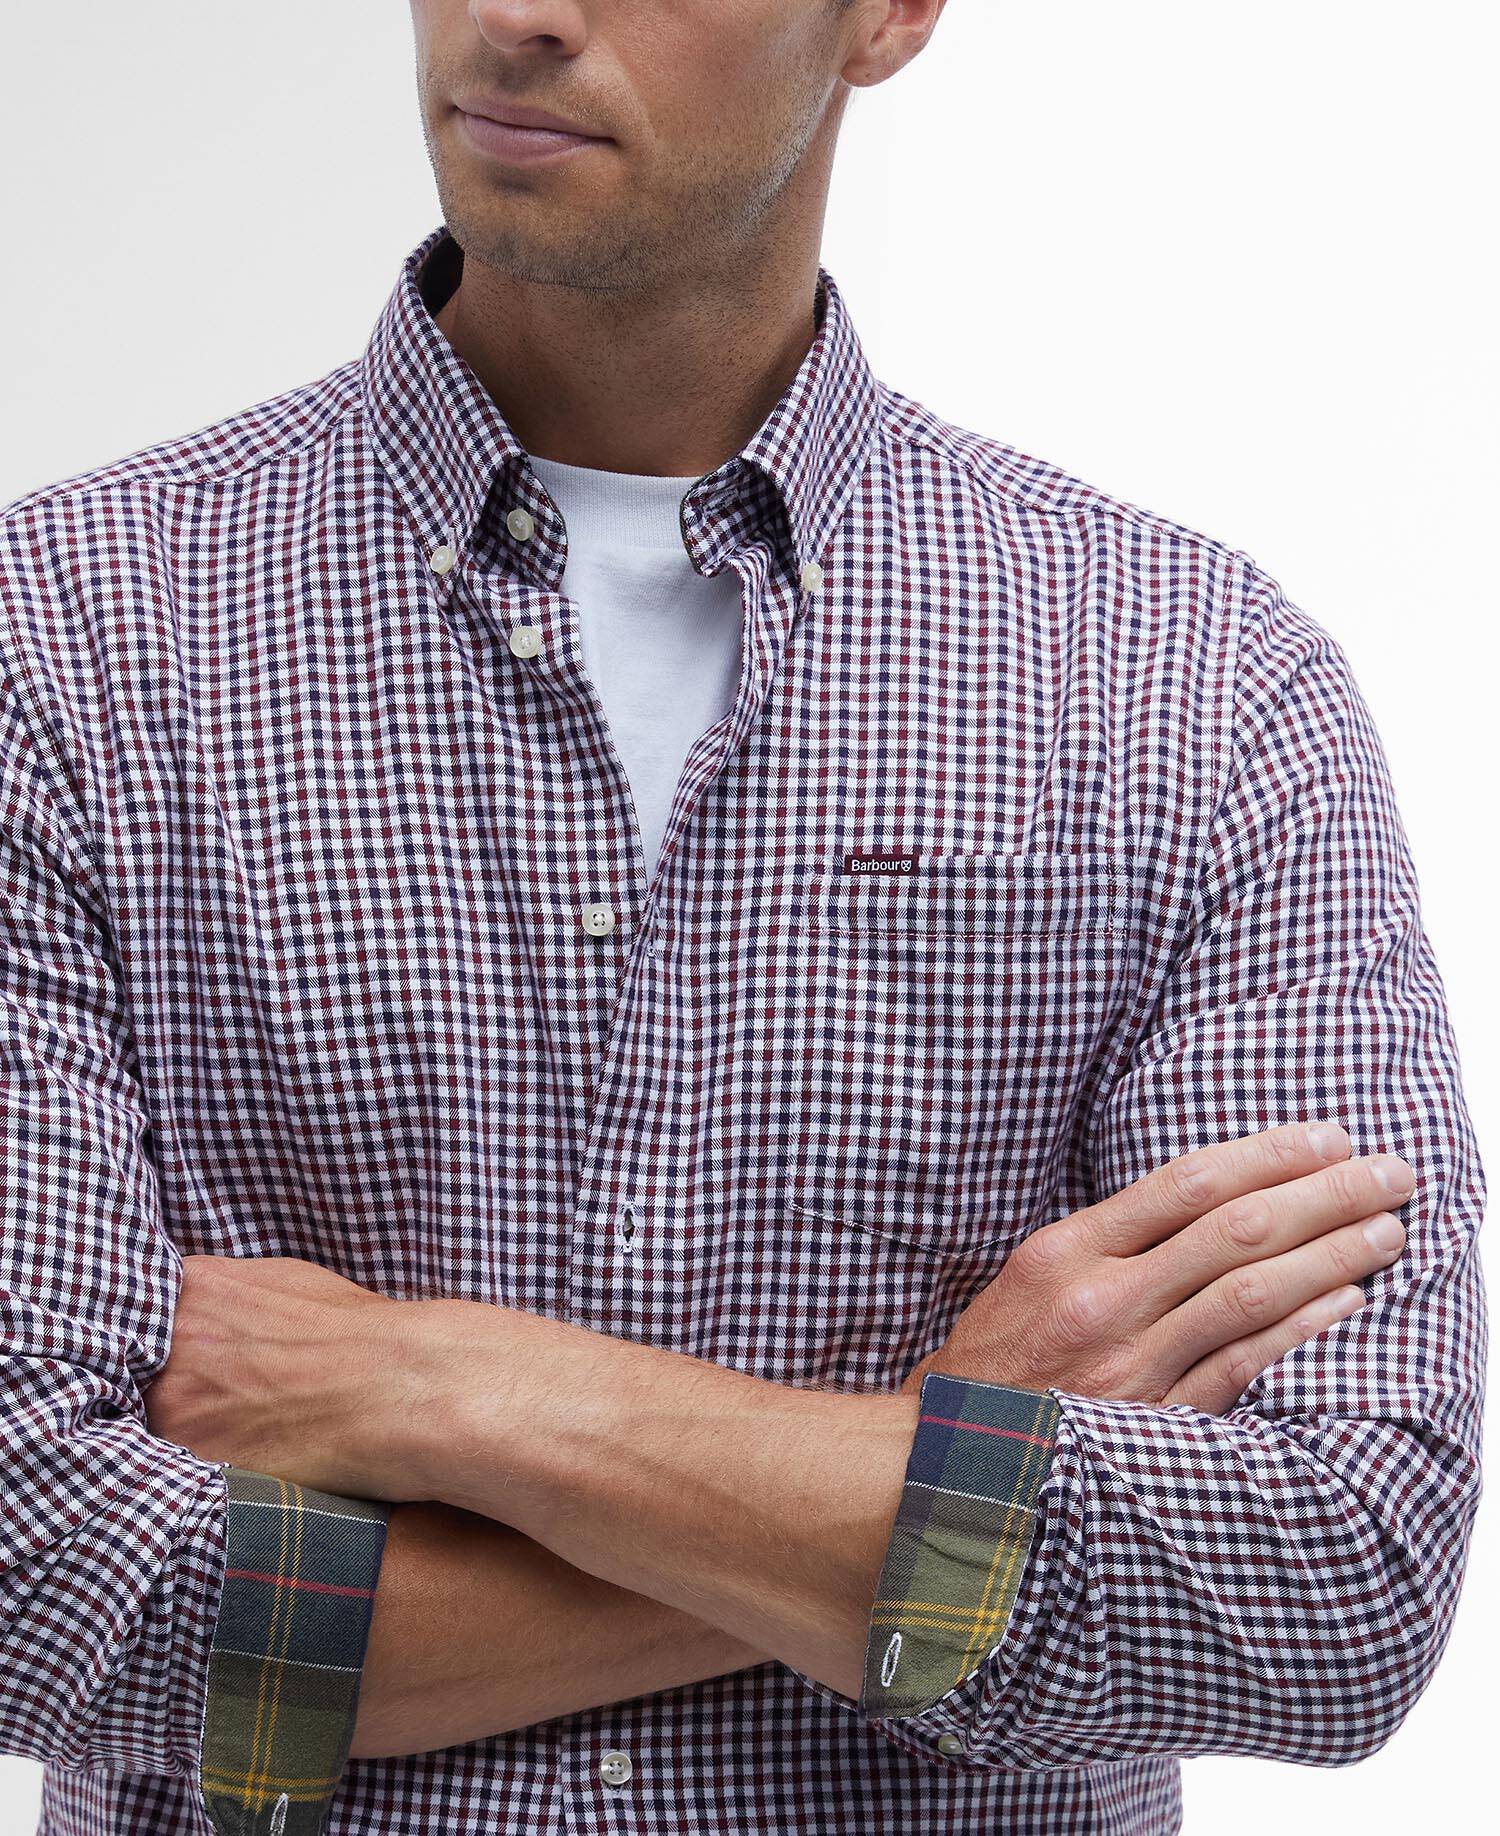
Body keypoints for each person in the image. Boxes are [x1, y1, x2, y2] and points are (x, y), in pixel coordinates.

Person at [0, 4, 1484, 1834]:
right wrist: (938, 1450)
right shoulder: (58, 640)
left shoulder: (1190, 683)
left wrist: (446, 1390)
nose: (518, 13)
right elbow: (31, 1569)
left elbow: (1333, 1571)